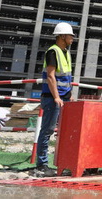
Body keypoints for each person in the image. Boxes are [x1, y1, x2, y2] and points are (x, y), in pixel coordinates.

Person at [35, 22, 75, 177]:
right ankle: (42, 164)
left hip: (64, 97)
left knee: (65, 131)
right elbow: (51, 76)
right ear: (62, 36)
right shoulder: (53, 52)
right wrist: (57, 97)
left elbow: (66, 77)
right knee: (47, 130)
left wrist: (69, 94)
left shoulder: (65, 52)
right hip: (53, 98)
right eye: (70, 35)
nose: (72, 38)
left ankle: (64, 163)